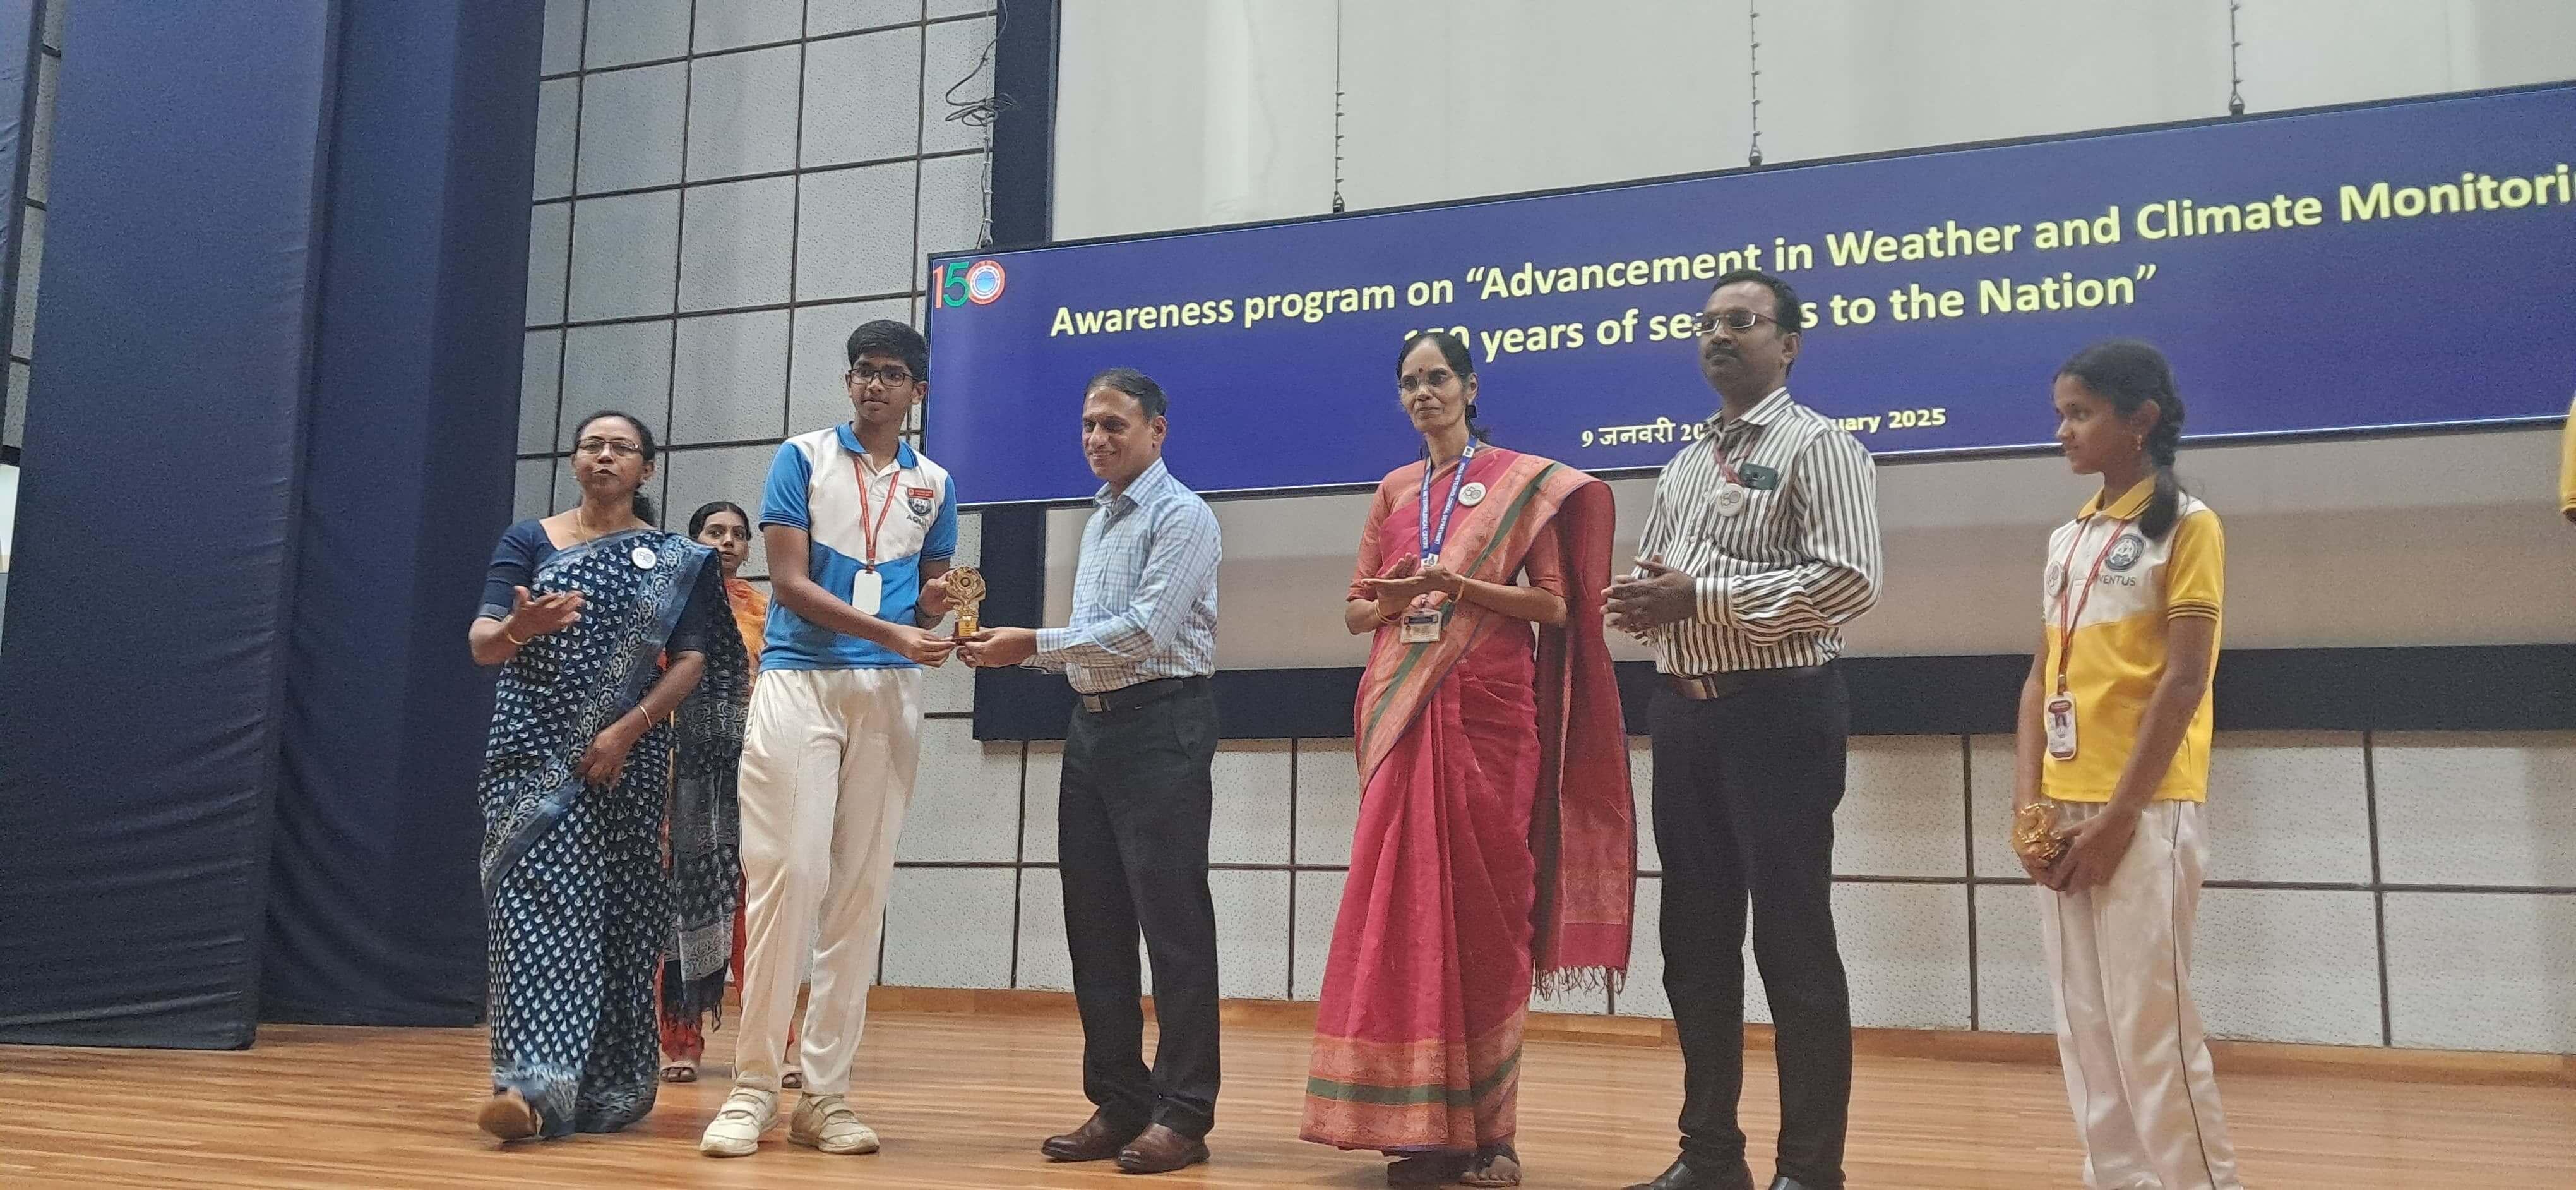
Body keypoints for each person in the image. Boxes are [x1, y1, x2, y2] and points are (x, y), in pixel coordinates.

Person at [1299, 330, 1633, 1187]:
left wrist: (1459, 588)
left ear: (1471, 387)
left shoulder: (1521, 485)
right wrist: (1399, 599)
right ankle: (1418, 1131)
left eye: (1438, 377)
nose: (1425, 393)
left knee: (1488, 918)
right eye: (1410, 382)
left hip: (1490, 718)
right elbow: (1354, 612)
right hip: (1401, 711)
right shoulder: (1393, 490)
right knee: (1403, 910)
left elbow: (1555, 607)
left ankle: (1492, 1134)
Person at [1605, 270, 1882, 1190]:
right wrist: (1644, 599)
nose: (1719, 335)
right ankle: (1709, 1156)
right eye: (1708, 323)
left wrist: (1703, 598)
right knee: (1695, 944)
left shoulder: (1820, 446)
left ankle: (1810, 1170)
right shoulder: (1685, 461)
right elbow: (1669, 572)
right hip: (1683, 714)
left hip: (1781, 712)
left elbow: (1849, 581)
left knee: (1793, 944)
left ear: (1789, 344)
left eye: (1742, 321)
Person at [699, 320, 960, 1159]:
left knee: (859, 892)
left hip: (888, 694)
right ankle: (751, 1089)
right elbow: (789, 583)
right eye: (863, 371)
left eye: (891, 374)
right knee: (790, 876)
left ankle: (825, 1097)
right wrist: (893, 632)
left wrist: (938, 606)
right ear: (849, 383)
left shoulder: (935, 484)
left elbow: (927, 601)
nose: (874, 384)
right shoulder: (802, 458)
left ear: (919, 391)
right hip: (799, 682)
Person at [958, 367, 1222, 1177]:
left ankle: (1183, 1114)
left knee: (1174, 930)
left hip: (1163, 725)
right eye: (1087, 425)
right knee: (1096, 928)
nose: (1096, 439)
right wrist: (1021, 650)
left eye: (1114, 424)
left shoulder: (1183, 515)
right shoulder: (1102, 515)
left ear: (1157, 431)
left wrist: (1029, 646)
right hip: (1094, 729)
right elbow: (1097, 638)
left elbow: (1144, 633)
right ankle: (1120, 1100)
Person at [468, 411, 750, 1143]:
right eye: (592, 445)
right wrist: (519, 629)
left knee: (620, 922)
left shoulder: (674, 559)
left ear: (646, 469)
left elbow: (692, 660)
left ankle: (607, 1086)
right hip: (530, 761)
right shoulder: (529, 541)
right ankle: (529, 1089)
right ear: (574, 461)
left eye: (621, 448)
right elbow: (484, 644)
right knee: (533, 919)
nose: (604, 456)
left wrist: (627, 731)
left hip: (630, 762)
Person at [2012, 340, 2241, 1190]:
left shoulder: (2189, 525)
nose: (2063, 431)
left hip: (2144, 809)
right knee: (2085, 1025)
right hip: (2064, 804)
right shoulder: (2066, 539)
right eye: (2060, 415)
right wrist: (2028, 806)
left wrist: (2117, 818)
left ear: (2139, 420)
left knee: (2152, 1027)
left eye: (2080, 414)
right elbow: (2039, 678)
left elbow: (2184, 680)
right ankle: (2118, 1179)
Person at [657, 501, 806, 1086]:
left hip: (749, 771)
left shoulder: (767, 611)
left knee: (756, 910)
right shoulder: (668, 604)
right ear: (693, 539)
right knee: (678, 909)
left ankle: (774, 1046)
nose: (727, 542)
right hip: (680, 776)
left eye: (739, 535)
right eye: (714, 532)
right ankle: (681, 1043)